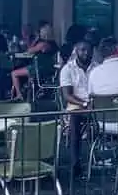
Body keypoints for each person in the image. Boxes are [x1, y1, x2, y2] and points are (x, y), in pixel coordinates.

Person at [59, 41, 97, 176]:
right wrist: (85, 104)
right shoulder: (67, 69)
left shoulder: (96, 67)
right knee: (74, 120)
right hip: (77, 105)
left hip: (95, 104)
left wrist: (92, 103)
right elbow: (67, 95)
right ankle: (75, 162)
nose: (86, 53)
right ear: (76, 51)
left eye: (89, 50)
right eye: (82, 50)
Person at [11, 23, 59, 99]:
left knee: (14, 73)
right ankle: (29, 95)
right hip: (50, 69)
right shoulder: (54, 44)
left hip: (39, 69)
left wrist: (35, 39)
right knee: (29, 77)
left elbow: (29, 51)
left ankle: (19, 95)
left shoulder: (42, 44)